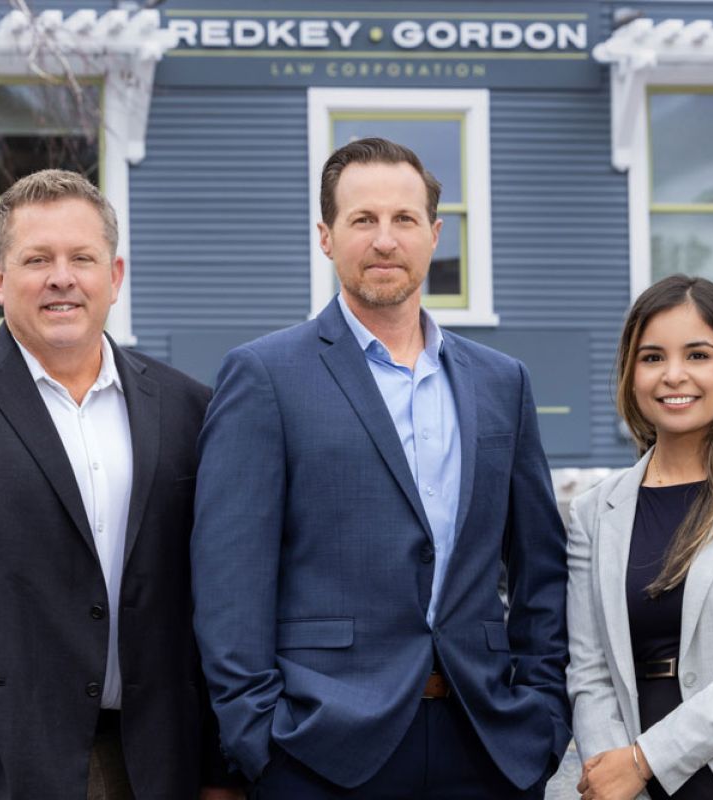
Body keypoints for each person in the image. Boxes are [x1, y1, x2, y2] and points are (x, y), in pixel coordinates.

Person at [191, 137, 570, 798]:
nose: (385, 239)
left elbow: (540, 566)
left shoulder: (501, 382)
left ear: (434, 234)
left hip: (485, 741)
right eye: (362, 220)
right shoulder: (265, 376)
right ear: (326, 237)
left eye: (404, 220)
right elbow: (230, 580)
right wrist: (258, 739)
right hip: (320, 748)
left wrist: (543, 715)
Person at [0, 170, 242, 800]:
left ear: (115, 276)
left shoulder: (190, 408)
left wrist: (219, 768)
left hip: (160, 763)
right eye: (37, 259)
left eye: (82, 257)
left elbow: (218, 599)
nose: (62, 277)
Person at [567, 274, 713, 800]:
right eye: (652, 358)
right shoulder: (592, 513)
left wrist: (646, 760)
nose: (674, 376)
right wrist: (613, 774)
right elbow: (590, 670)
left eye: (697, 355)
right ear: (630, 374)